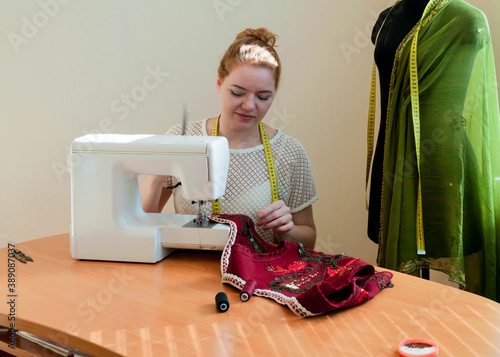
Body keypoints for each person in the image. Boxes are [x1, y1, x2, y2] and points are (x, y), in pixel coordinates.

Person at [367, 0, 500, 302]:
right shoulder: (386, 19)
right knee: (403, 293)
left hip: (446, 167)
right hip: (391, 162)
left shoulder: (467, 20)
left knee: (460, 303)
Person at [141, 28, 318, 249]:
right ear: (219, 83)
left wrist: (287, 230)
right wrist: (156, 178)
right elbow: (138, 222)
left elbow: (309, 240)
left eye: (263, 96)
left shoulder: (290, 152)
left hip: (256, 280)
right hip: (186, 272)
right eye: (237, 93)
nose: (249, 105)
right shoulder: (181, 138)